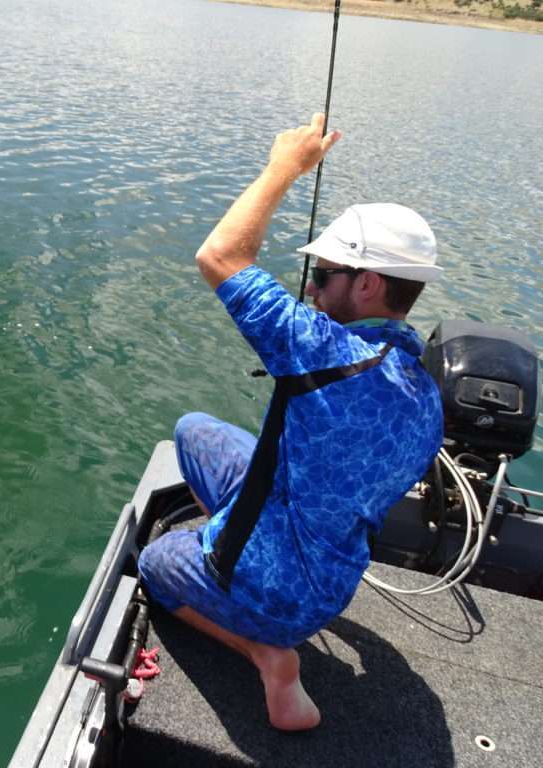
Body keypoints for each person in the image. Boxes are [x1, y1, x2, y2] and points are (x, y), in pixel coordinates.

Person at [137, 113, 443, 731]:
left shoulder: (324, 351)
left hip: (282, 602)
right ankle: (231, 555)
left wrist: (285, 167)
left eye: (324, 275)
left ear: (369, 284)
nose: (309, 287)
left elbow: (221, 254)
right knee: (195, 429)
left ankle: (266, 653)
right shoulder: (427, 394)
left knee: (155, 563)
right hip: (328, 577)